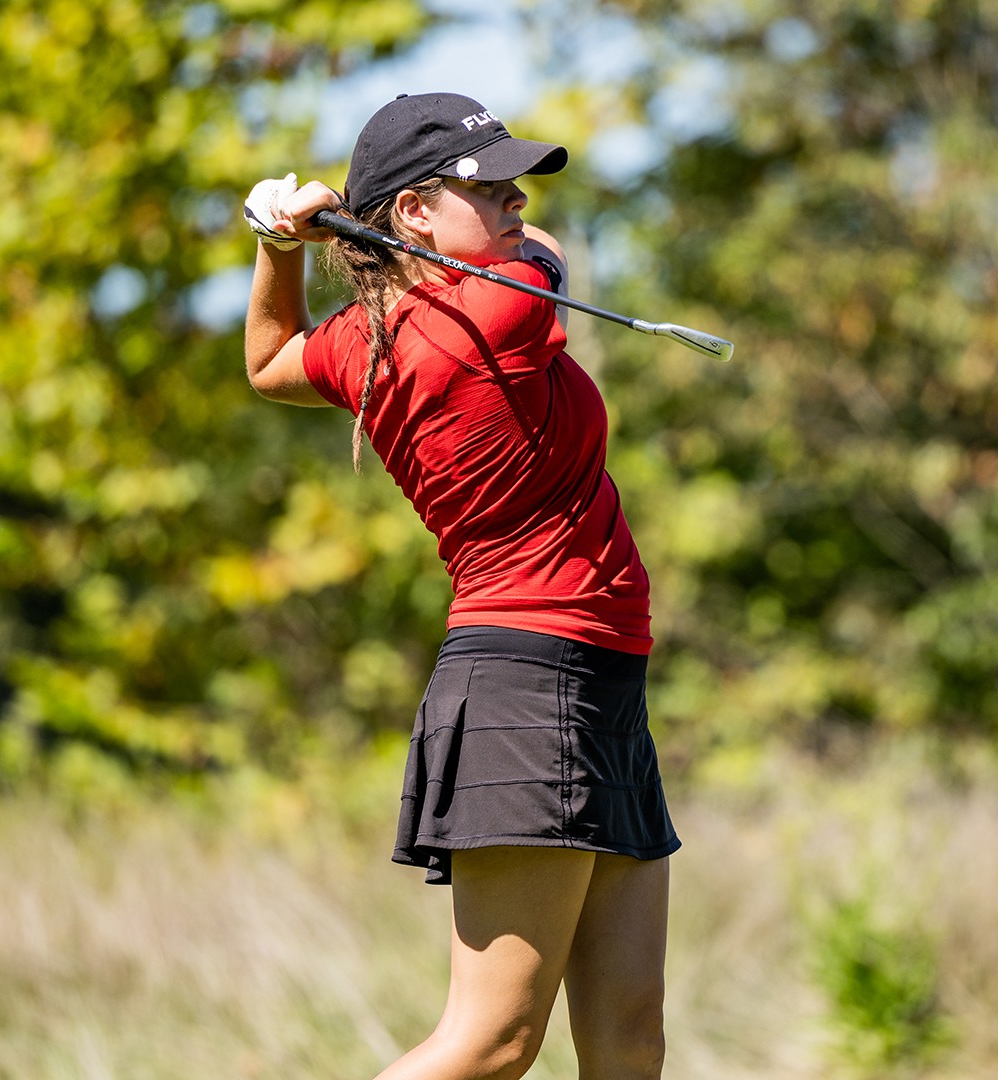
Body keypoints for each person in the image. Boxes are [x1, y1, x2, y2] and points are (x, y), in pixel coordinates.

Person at [241, 92, 679, 1080]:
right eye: (488, 186)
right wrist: (305, 237)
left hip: (594, 679)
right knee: (490, 1045)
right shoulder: (502, 299)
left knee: (630, 1033)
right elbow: (547, 247)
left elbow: (269, 361)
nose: (519, 198)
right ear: (413, 215)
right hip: (532, 687)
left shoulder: (369, 340)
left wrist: (277, 242)